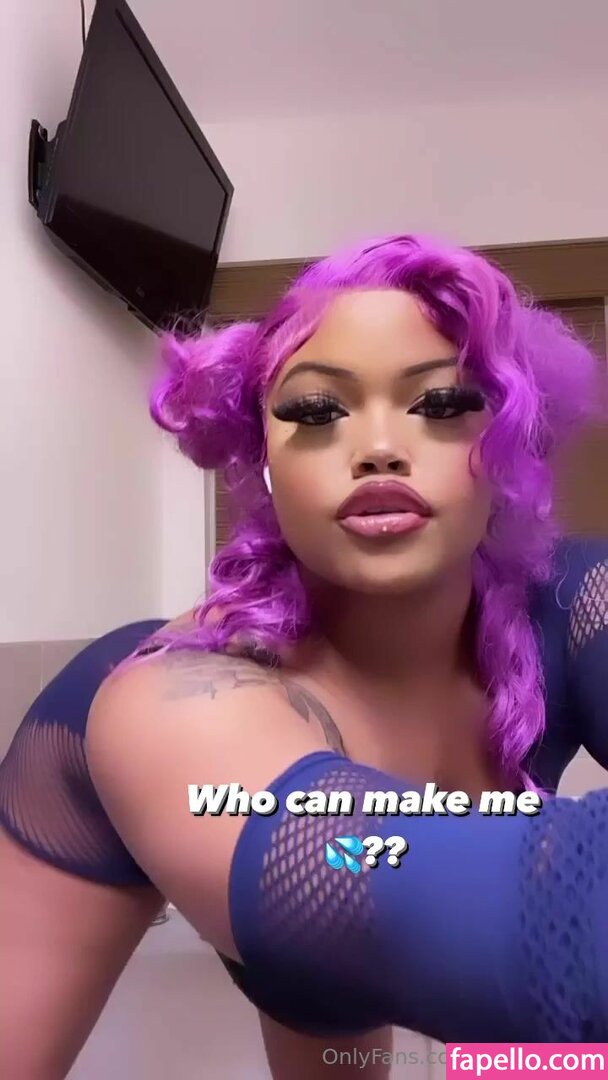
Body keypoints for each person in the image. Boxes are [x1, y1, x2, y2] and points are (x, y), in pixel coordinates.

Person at [1, 234, 607, 1079]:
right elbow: (531, 929)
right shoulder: (169, 704)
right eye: (318, 412)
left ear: (505, 442)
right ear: (263, 460)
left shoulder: (576, 599)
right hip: (260, 843)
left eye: (440, 403)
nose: (379, 448)